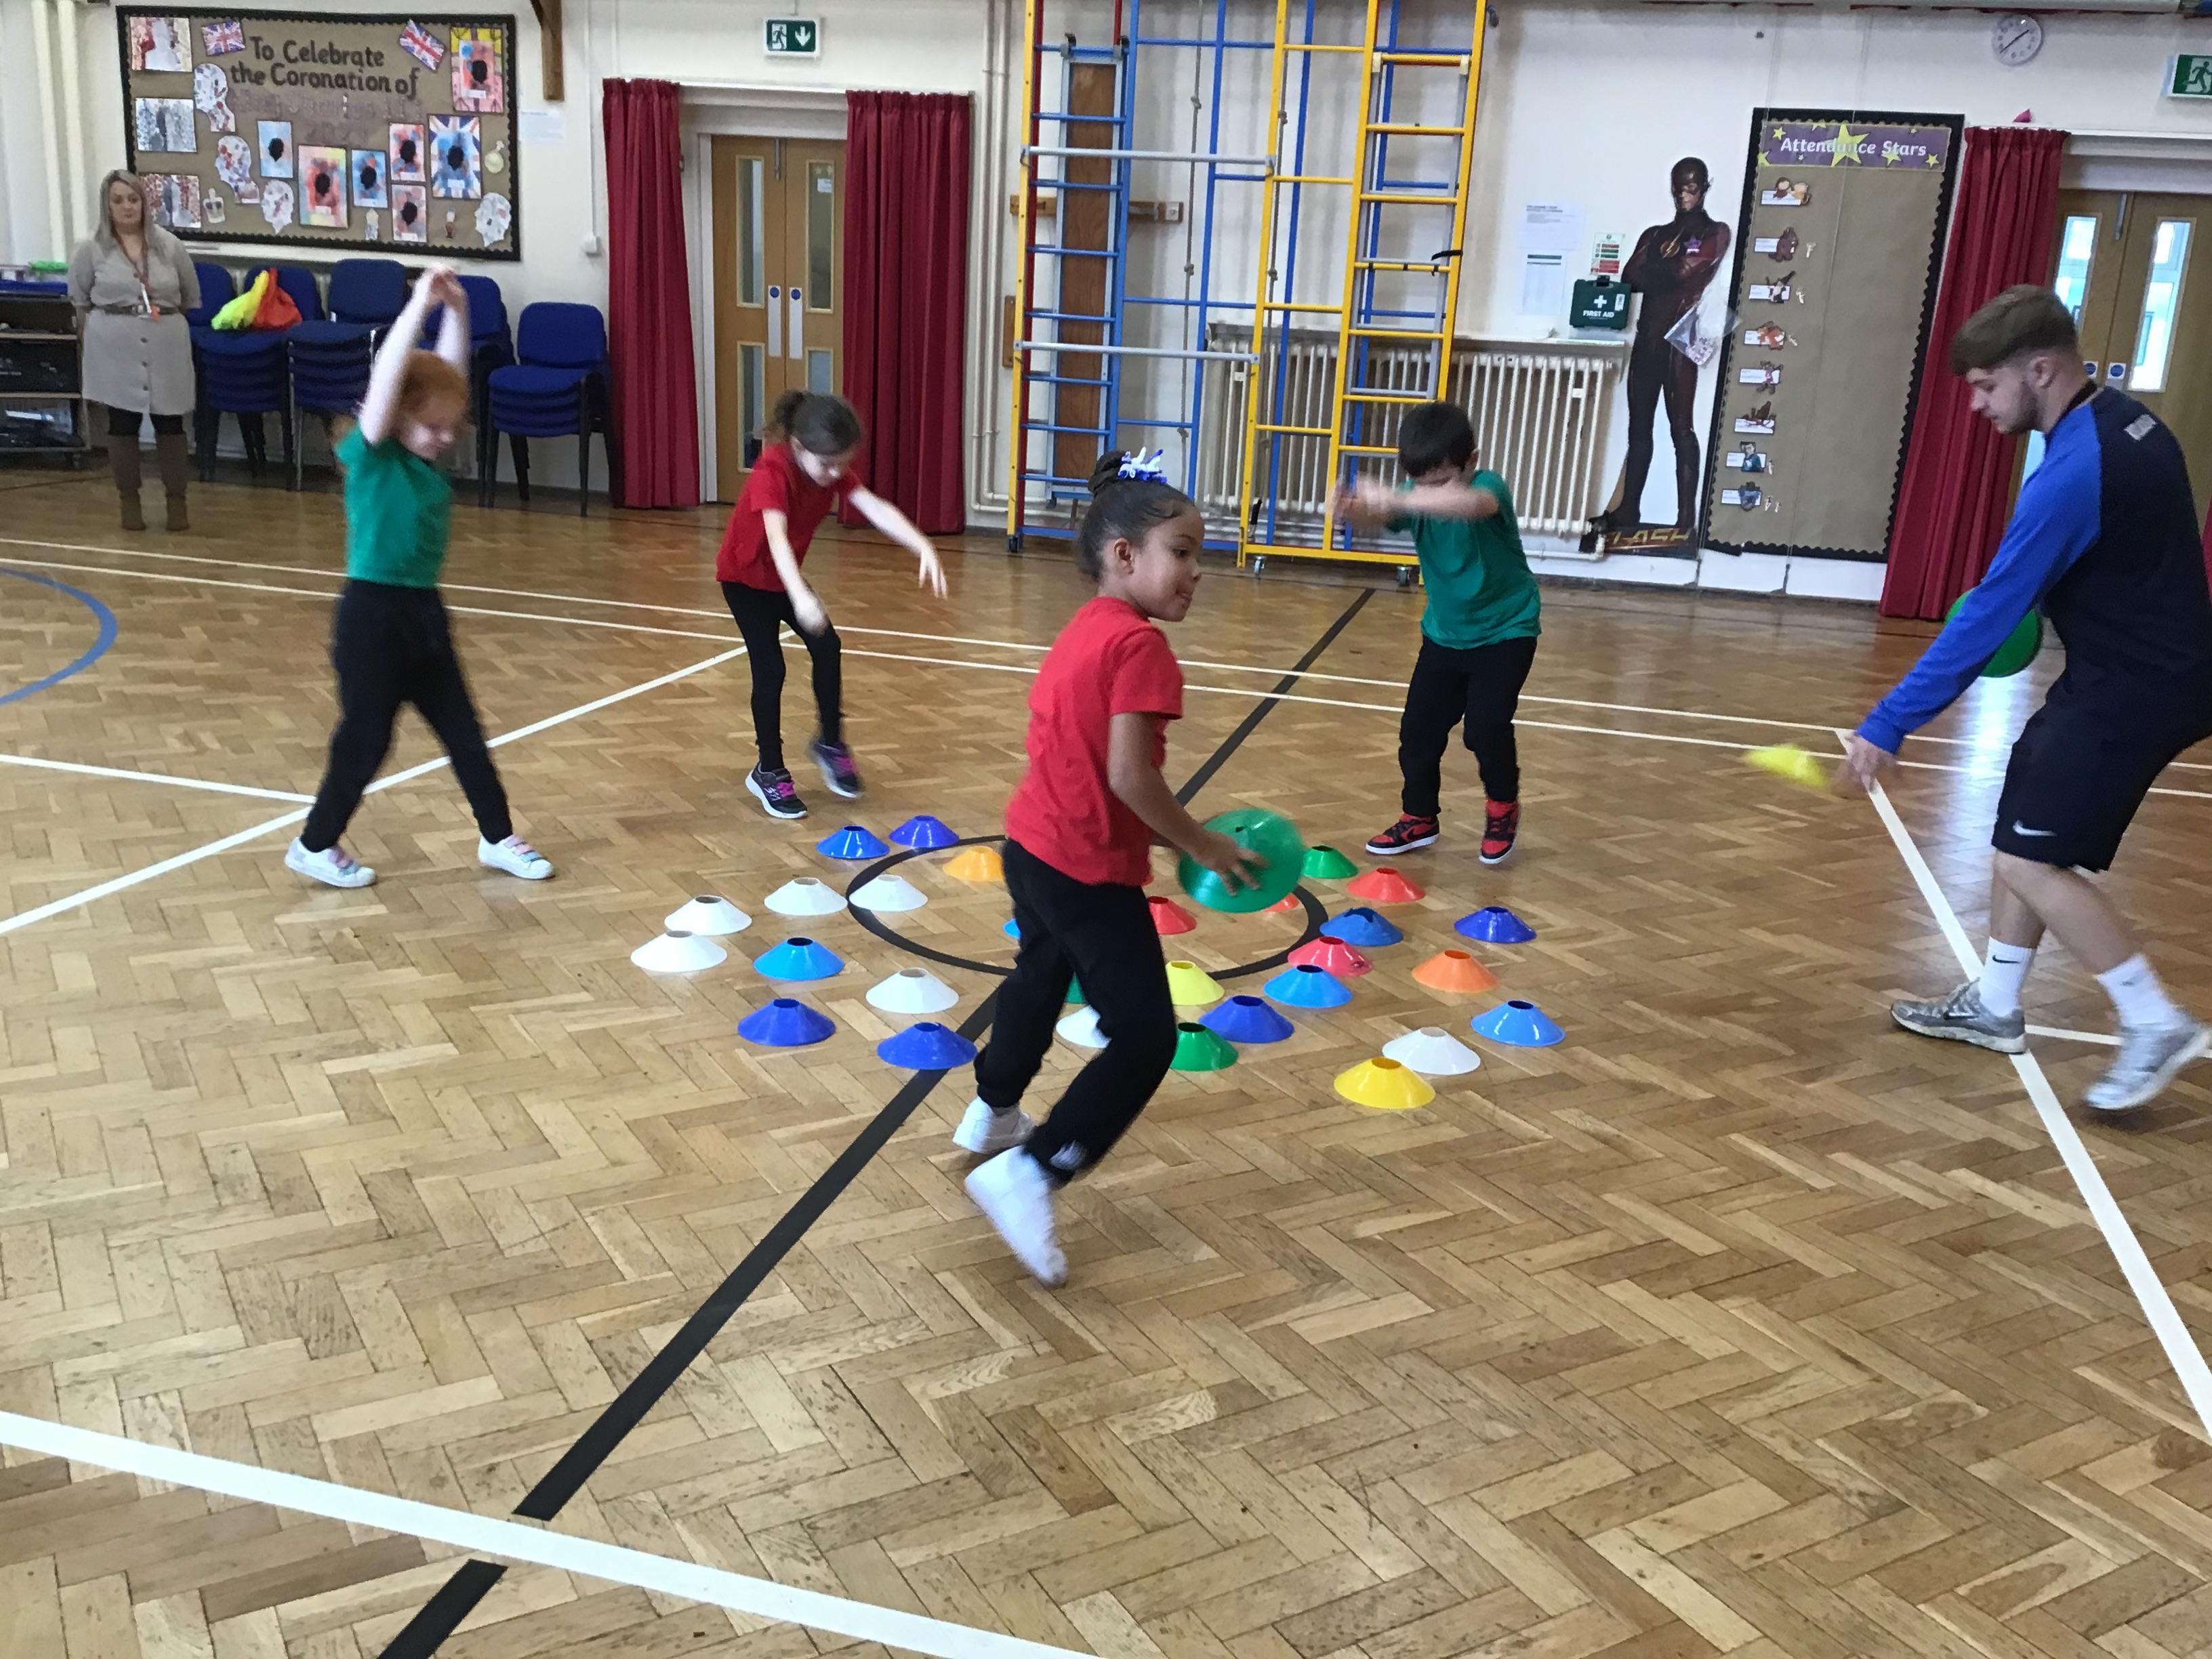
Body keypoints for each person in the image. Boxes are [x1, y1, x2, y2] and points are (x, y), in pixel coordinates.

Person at [1843, 285, 2212, 1113]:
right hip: (2129, 669)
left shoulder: (2075, 473)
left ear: (2040, 370)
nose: (1977, 405)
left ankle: (2154, 1022)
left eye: (1986, 386)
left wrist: (1888, 723)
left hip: (2140, 689)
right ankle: (1996, 1005)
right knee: (2025, 807)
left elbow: (1985, 619)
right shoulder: (2127, 422)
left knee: (2028, 859)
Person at [958, 452, 1262, 1285]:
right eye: (1183, 551)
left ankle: (993, 1111)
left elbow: (1085, 760)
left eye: (1201, 554)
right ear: (1125, 555)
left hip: (1031, 846)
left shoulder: (1086, 626)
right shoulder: (1142, 648)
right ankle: (1033, 1169)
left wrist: (1159, 838)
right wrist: (1199, 843)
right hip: (1085, 872)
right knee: (1148, 1037)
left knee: (1039, 977)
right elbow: (1131, 777)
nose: (1198, 571)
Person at [287, 268, 552, 890]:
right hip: (371, 617)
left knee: (465, 733)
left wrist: (457, 309)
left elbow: (448, 380)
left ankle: (497, 837)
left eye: (450, 426)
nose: (444, 436)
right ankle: (314, 843)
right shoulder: (371, 454)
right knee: (366, 739)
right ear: (400, 416)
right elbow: (391, 378)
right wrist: (416, 309)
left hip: (422, 613)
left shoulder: (425, 454)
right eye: (432, 426)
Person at [716, 391, 947, 819]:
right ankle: (769, 769)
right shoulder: (772, 471)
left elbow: (873, 506)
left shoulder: (830, 468)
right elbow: (776, 539)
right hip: (745, 580)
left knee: (828, 647)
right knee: (770, 669)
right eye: (827, 464)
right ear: (799, 447)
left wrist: (921, 544)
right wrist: (800, 595)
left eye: (843, 463)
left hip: (782, 580)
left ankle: (830, 742)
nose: (836, 473)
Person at [1336, 401, 1541, 867]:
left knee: (1485, 728)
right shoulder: (1415, 494)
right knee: (1418, 732)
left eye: (1442, 481)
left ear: (1472, 462)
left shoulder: (1488, 488)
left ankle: (1502, 807)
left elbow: (1463, 505)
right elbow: (1382, 517)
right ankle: (1420, 817)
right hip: (1445, 635)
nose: (1429, 492)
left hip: (1507, 631)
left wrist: (1397, 497)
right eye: (1420, 483)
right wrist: (1352, 510)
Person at [1596, 157, 1731, 537]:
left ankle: (1685, 518)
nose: (1684, 195)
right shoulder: (1655, 234)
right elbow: (1630, 277)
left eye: (1692, 187)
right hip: (1648, 339)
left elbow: (1686, 271)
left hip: (1680, 342)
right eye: (1679, 187)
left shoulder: (1715, 232)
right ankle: (1630, 508)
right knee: (1639, 429)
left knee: (1681, 429)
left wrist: (1661, 270)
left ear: (1704, 187)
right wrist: (1668, 270)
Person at [67, 170, 199, 532]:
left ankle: (177, 502)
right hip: (114, 346)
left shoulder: (170, 246)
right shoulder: (90, 250)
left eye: (133, 199)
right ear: (107, 206)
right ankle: (129, 502)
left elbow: (189, 297)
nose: (127, 207)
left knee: (171, 423)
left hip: (166, 342)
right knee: (123, 423)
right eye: (118, 200)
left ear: (144, 203)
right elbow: (79, 300)